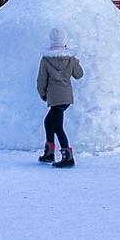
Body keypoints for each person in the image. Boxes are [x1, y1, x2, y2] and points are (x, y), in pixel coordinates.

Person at [36, 28, 84, 168]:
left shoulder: (46, 59)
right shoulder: (70, 58)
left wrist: (42, 93)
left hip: (54, 97)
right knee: (48, 122)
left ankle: (67, 157)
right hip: (66, 97)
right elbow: (79, 75)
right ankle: (49, 153)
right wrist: (76, 63)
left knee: (57, 126)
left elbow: (41, 79)